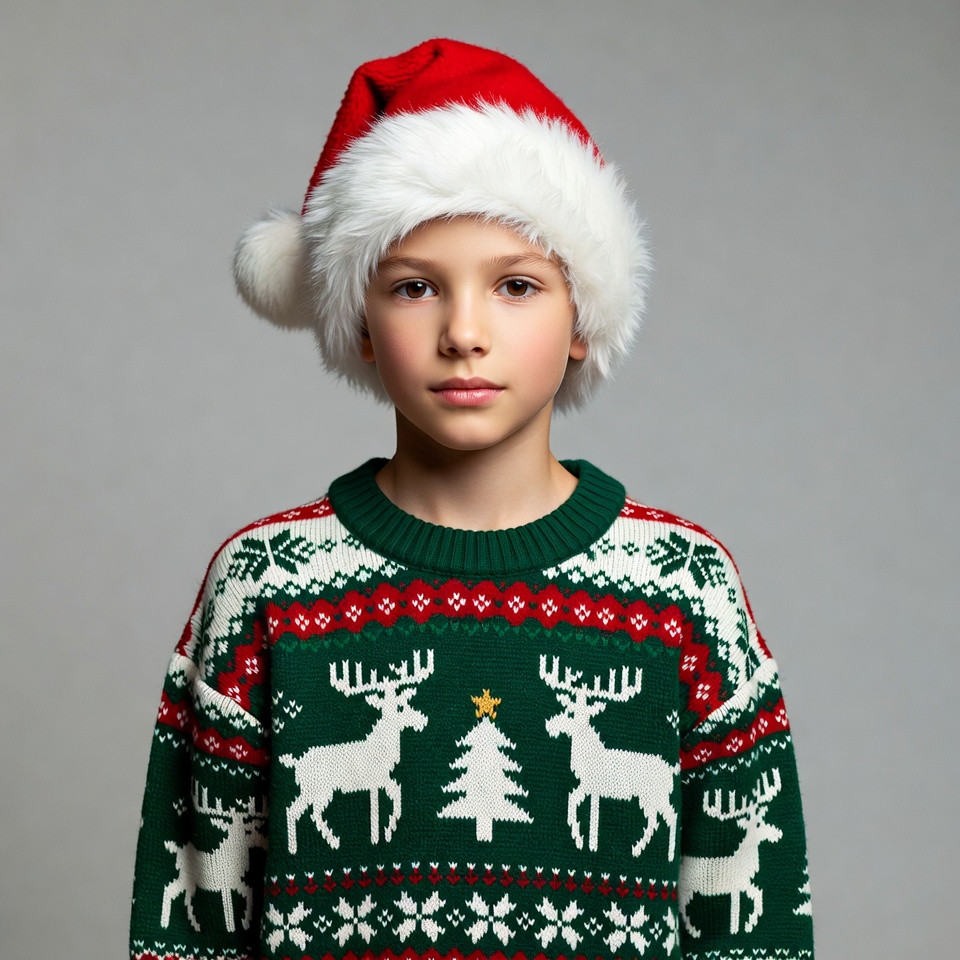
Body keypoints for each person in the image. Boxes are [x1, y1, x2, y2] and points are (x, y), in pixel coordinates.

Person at [130, 38, 814, 960]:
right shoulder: (268, 584)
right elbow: (195, 920)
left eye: (517, 286)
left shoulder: (683, 588)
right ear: (360, 327)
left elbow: (756, 927)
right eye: (414, 287)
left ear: (582, 319)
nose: (463, 333)